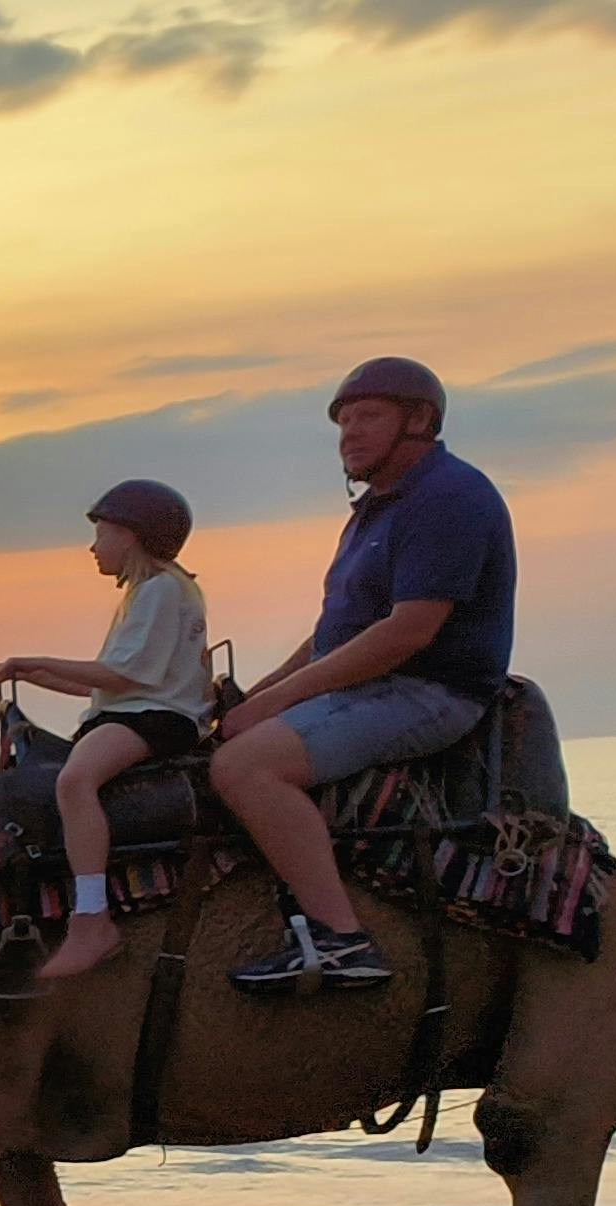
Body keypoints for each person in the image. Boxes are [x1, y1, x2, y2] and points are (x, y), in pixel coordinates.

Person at [207, 357, 518, 993]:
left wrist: (279, 704)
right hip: (369, 685)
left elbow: (408, 632)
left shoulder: (449, 497)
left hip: (429, 691)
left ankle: (341, 939)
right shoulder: (374, 512)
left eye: (368, 416)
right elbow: (332, 636)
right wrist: (251, 698)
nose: (349, 433)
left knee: (244, 768)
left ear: (421, 420)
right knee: (223, 743)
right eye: (343, 421)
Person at [0, 480, 210, 981]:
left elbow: (124, 679)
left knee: (74, 781)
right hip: (142, 710)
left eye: (102, 534)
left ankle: (91, 919)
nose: (93, 547)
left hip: (155, 719)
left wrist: (35, 659)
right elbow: (117, 684)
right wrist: (41, 677)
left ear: (131, 535)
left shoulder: (159, 591)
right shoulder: (157, 591)